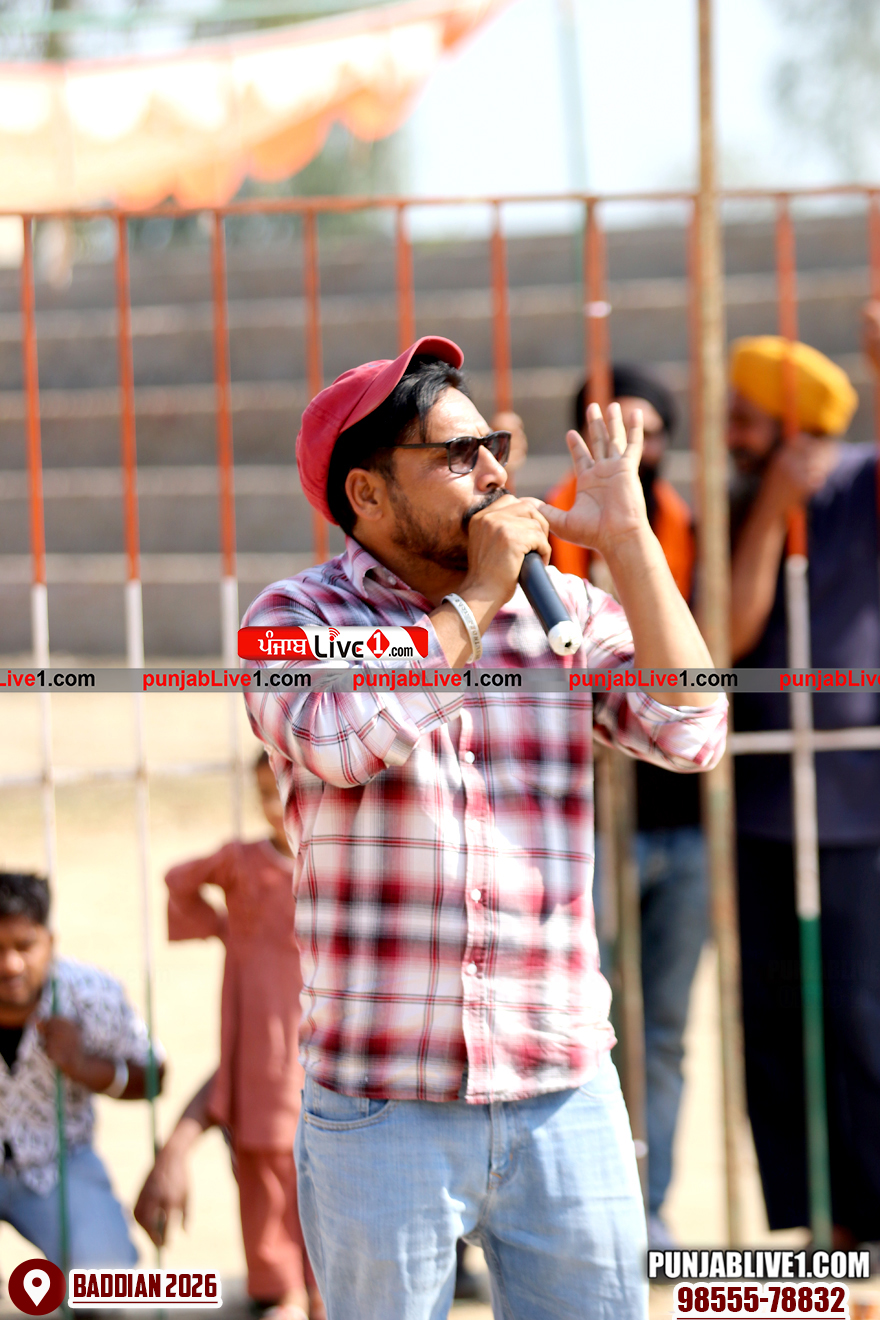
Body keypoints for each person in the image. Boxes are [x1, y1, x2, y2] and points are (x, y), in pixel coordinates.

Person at [241, 335, 727, 1319]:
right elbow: (342, 740)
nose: (495, 473)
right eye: (457, 455)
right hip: (381, 1099)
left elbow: (692, 731)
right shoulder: (293, 616)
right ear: (367, 494)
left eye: (492, 446)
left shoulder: (563, 607)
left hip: (561, 1088)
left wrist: (629, 541)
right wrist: (475, 603)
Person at [546, 365, 704, 1250]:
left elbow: (705, 689)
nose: (635, 453)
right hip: (585, 832)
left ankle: (648, 1208)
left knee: (666, 1033)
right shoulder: (543, 544)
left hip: (682, 821)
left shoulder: (689, 528)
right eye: (615, 431)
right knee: (579, 1027)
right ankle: (580, 1216)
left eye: (649, 433)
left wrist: (634, 548)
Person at [727, 333, 880, 1245]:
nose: (733, 437)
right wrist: (771, 509)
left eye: (749, 421)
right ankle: (809, 1223)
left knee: (859, 1011)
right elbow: (726, 640)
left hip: (858, 803)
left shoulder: (860, 483)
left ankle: (871, 1214)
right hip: (763, 804)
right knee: (775, 1017)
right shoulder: (740, 500)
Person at [138, 752, 322, 1320]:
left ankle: (323, 1293)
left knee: (330, 1182)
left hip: (323, 1054)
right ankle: (285, 1292)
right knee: (266, 1172)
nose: (278, 806)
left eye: (290, 791)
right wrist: (225, 927)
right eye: (267, 793)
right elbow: (179, 880)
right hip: (264, 1060)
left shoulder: (333, 865)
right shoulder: (243, 867)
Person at [0, 869, 161, 1268]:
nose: (10, 964)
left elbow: (155, 1075)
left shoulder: (89, 994)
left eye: (25, 945)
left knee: (108, 1283)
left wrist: (87, 1067)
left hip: (58, 1163)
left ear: (50, 943)